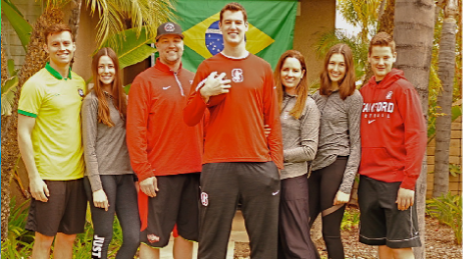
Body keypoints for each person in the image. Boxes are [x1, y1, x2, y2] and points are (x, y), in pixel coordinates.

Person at [184, 2, 284, 259]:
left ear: (246, 27)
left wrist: (275, 164)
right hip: (218, 165)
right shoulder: (207, 68)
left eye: (238, 22)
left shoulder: (262, 68)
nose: (233, 27)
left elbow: (272, 119)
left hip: (258, 165)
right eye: (227, 22)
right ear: (220, 27)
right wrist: (204, 93)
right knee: (211, 244)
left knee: (264, 245)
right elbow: (189, 117)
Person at [126, 22, 203, 259]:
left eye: (176, 40)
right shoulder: (144, 80)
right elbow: (135, 129)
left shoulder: (195, 80)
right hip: (158, 175)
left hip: (194, 171)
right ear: (157, 45)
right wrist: (143, 172)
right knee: (152, 238)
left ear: (183, 44)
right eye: (166, 40)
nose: (172, 45)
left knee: (187, 235)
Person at [17, 23, 87, 259]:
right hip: (49, 177)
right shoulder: (35, 85)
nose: (62, 48)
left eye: (66, 43)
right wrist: (34, 177)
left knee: (68, 237)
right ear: (46, 48)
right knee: (44, 239)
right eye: (55, 44)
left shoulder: (79, 83)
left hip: (77, 175)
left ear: (74, 46)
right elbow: (23, 132)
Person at [358, 32, 426, 259]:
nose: (381, 62)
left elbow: (417, 136)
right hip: (369, 180)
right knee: (383, 243)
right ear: (369, 57)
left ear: (394, 57)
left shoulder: (403, 89)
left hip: (396, 182)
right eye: (376, 57)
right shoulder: (364, 92)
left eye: (386, 57)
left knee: (401, 246)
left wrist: (408, 182)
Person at [81, 47, 140, 259]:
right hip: (103, 176)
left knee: (133, 237)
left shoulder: (125, 99)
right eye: (101, 67)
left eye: (110, 66)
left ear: (116, 69)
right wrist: (96, 187)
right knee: (103, 236)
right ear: (96, 71)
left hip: (124, 175)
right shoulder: (92, 101)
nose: (106, 71)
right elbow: (88, 146)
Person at [309, 43, 363, 259]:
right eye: (332, 63)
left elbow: (357, 143)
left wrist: (346, 187)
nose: (336, 68)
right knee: (298, 228)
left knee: (330, 233)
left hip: (336, 165)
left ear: (348, 67)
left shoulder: (353, 98)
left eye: (341, 64)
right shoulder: (315, 97)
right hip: (314, 169)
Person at [274, 50, 320, 259]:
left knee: (296, 244)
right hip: (269, 180)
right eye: (286, 69)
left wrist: (277, 155)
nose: (289, 74)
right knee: (276, 242)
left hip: (293, 181)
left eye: (295, 70)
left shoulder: (308, 105)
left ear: (302, 73)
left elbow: (310, 150)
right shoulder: (271, 99)